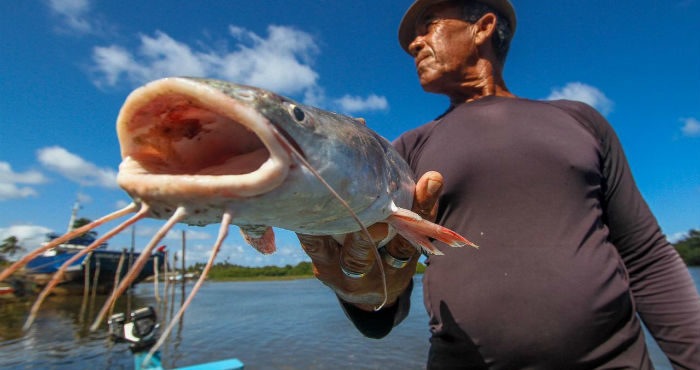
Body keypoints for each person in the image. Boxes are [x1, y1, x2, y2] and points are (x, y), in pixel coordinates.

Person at [297, 0, 700, 368]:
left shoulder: (580, 120)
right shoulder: (406, 151)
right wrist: (362, 293)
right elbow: (385, 303)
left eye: (428, 26)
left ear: (483, 26)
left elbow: (647, 259)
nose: (414, 45)